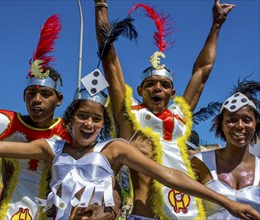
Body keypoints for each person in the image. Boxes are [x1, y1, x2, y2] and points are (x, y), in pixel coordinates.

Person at [0, 88, 260, 220]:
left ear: (103, 124)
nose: (88, 123)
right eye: (82, 116)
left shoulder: (113, 149)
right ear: (70, 120)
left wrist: (230, 203)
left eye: (96, 118)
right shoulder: (51, 147)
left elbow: (170, 175)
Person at [0, 14, 119, 220]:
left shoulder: (71, 135)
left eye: (45, 94)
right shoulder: (5, 123)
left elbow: (102, 172)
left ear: (59, 100)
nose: (37, 100)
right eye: (31, 94)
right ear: (23, 97)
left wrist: (113, 207)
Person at [95, 0, 234, 219]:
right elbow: (109, 59)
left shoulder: (180, 117)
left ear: (172, 92)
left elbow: (202, 71)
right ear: (140, 90)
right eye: (150, 84)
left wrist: (217, 25)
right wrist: (100, 5)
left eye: (165, 85)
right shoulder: (130, 118)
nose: (157, 88)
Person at [191, 91, 260, 219]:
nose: (240, 126)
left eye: (247, 120)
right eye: (232, 120)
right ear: (221, 125)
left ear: (256, 124)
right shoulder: (200, 163)